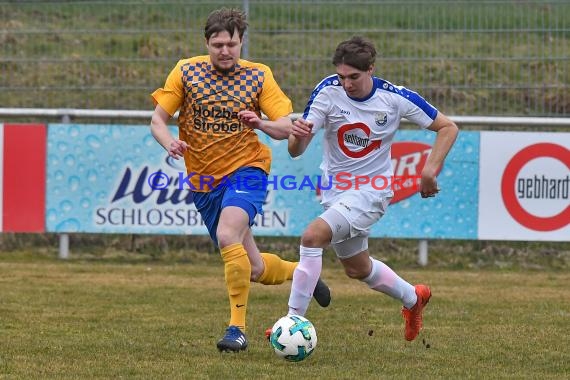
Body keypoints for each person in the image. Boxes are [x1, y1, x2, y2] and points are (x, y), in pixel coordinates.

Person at [149, 7, 330, 352]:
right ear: (207, 43)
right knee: (254, 269)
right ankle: (302, 273)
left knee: (227, 233)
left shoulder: (258, 76)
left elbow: (285, 126)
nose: (225, 51)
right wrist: (169, 141)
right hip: (204, 182)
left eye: (231, 44)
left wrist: (260, 123)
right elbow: (158, 119)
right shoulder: (186, 71)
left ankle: (236, 329)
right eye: (217, 44)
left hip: (248, 171)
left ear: (241, 42)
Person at [285, 36, 458, 341]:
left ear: (371, 70)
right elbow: (296, 150)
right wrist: (297, 137)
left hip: (371, 192)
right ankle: (414, 298)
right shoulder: (327, 90)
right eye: (342, 76)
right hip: (336, 192)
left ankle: (292, 322)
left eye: (354, 77)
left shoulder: (395, 98)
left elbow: (448, 127)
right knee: (357, 268)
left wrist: (429, 171)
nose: (347, 84)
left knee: (312, 237)